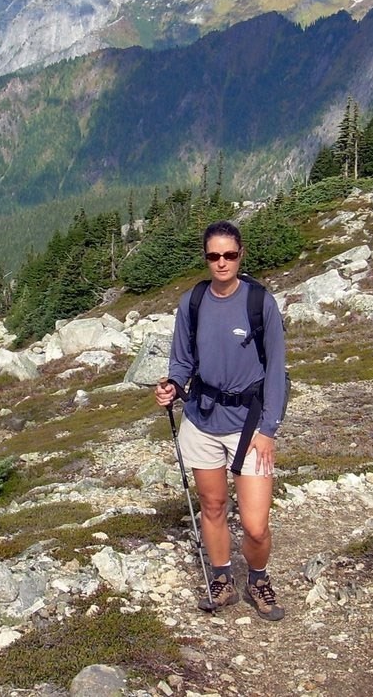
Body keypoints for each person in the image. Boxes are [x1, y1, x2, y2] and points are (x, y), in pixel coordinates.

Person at [154, 219, 288, 620]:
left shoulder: (259, 302)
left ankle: (259, 579)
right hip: (201, 418)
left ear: (240, 254)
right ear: (206, 258)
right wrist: (173, 387)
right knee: (212, 506)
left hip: (249, 425)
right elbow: (182, 361)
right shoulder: (192, 303)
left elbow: (277, 371)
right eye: (214, 256)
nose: (222, 262)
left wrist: (268, 430)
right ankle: (223, 578)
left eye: (229, 254)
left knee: (255, 525)